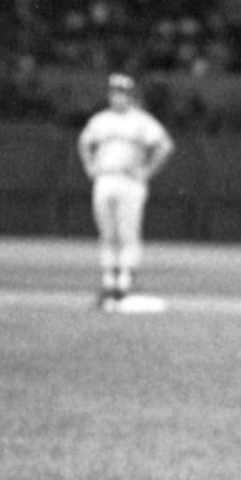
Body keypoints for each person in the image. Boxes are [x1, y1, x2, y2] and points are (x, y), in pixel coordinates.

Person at [77, 72, 174, 308]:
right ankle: (109, 281)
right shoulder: (101, 119)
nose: (117, 97)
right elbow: (83, 142)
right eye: (114, 93)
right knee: (108, 233)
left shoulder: (141, 120)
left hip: (130, 181)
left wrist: (147, 171)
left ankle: (125, 281)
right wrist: (90, 165)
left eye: (122, 93)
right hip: (105, 178)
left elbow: (165, 145)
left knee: (127, 232)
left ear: (130, 96)